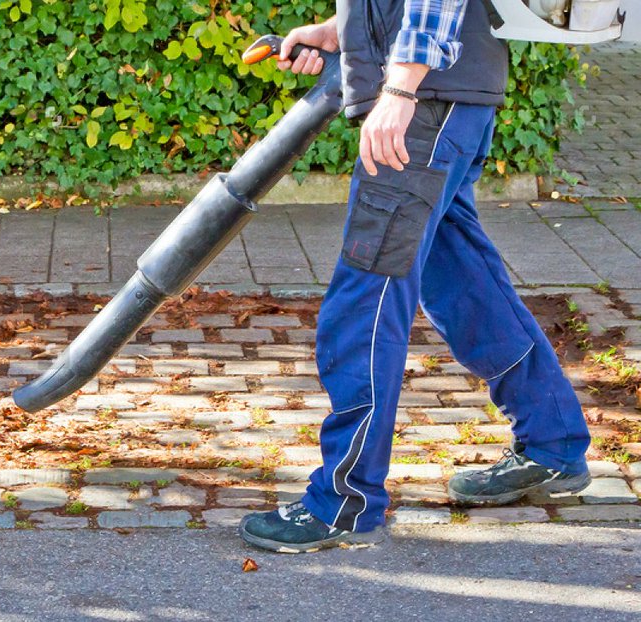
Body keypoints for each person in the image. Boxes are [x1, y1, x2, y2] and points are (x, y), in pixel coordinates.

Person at [238, 0, 592, 553]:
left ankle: (346, 502)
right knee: (464, 286)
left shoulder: (412, 91)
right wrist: (340, 32)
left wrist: (400, 88)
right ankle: (554, 445)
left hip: (427, 104)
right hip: (450, 99)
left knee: (366, 300)